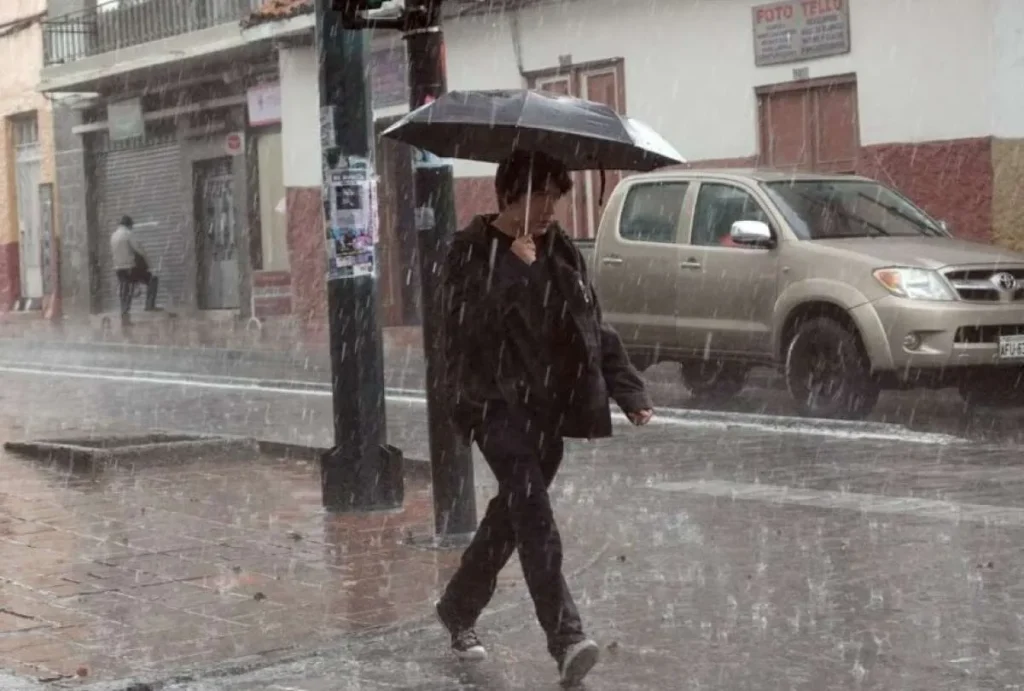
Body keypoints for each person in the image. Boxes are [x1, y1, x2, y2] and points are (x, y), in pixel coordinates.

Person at [436, 150, 654, 686]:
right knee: (534, 519)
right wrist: (514, 267)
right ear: (510, 195)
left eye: (557, 197)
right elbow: (464, 329)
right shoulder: (468, 251)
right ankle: (567, 639)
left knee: (511, 518)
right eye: (542, 196)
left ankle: (458, 608)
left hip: (548, 409)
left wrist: (627, 389)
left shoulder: (560, 251)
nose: (551, 208)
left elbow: (590, 323)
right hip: (494, 406)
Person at [110, 215, 159, 324]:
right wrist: (149, 265)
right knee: (152, 279)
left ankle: (124, 311)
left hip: (118, 269)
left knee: (125, 288)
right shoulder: (128, 234)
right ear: (129, 225)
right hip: (130, 268)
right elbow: (139, 249)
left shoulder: (113, 236)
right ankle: (149, 305)